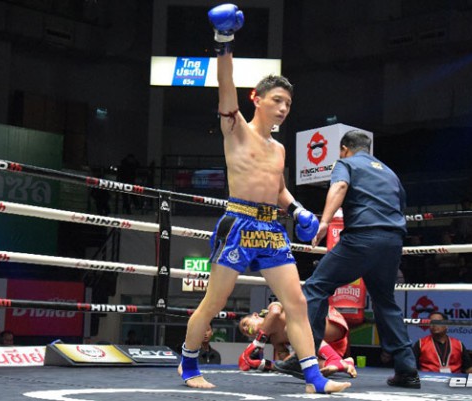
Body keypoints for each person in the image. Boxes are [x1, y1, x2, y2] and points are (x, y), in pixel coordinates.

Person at [178, 4, 350, 394]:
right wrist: (224, 42)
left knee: (297, 303)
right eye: (277, 101)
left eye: (288, 104)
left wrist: (298, 210)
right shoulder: (235, 127)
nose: (284, 109)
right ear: (257, 99)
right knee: (213, 303)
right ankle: (188, 363)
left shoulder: (279, 149)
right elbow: (225, 84)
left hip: (270, 228)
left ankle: (314, 378)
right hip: (238, 223)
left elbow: (278, 188)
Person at [298, 130, 421, 388]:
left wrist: (324, 222)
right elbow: (401, 205)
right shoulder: (390, 173)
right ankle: (407, 369)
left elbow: (340, 186)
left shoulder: (346, 164)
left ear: (344, 149)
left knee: (315, 287)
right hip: (392, 241)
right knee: (385, 301)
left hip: (362, 238)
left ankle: (305, 358)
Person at [238, 302, 356, 377]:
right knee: (301, 362)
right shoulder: (275, 340)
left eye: (244, 324)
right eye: (244, 332)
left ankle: (334, 359)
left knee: (291, 329)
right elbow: (287, 363)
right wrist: (265, 364)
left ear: (255, 315)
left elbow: (275, 312)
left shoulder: (272, 308)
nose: (245, 329)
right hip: (330, 348)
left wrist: (259, 340)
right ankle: (345, 363)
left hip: (330, 323)